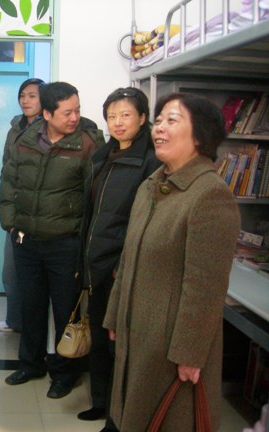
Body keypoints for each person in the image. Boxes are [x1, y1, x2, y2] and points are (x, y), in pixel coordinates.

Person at [102, 93, 241, 431]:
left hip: (169, 347)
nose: (159, 128)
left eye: (172, 120)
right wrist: (115, 313)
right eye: (160, 119)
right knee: (131, 415)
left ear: (200, 136)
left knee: (164, 419)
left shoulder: (209, 195)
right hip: (138, 331)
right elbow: (129, 258)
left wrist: (190, 353)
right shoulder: (152, 185)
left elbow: (205, 288)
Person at [0, 81, 105, 399]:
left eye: (77, 110)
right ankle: (30, 364)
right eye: (67, 112)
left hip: (65, 243)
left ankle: (64, 373)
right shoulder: (25, 139)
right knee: (30, 305)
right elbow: (9, 180)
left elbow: (96, 196)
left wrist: (84, 238)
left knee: (65, 311)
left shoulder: (87, 144)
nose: (74, 117)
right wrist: (9, 222)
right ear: (47, 113)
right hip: (26, 240)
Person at [77, 87, 161, 430]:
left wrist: (120, 266)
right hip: (96, 264)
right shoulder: (102, 155)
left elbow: (145, 221)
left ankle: (118, 415)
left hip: (121, 270)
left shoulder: (151, 161)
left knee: (119, 345)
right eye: (111, 116)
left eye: (126, 114)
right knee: (99, 338)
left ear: (142, 118)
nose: (117, 122)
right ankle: (100, 403)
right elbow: (93, 213)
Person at [0, 77, 45, 333]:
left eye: (32, 96)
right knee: (11, 271)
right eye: (22, 95)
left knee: (32, 274)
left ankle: (32, 327)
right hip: (15, 211)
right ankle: (16, 321)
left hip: (39, 212)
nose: (25, 100)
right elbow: (7, 168)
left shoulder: (48, 127)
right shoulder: (15, 127)